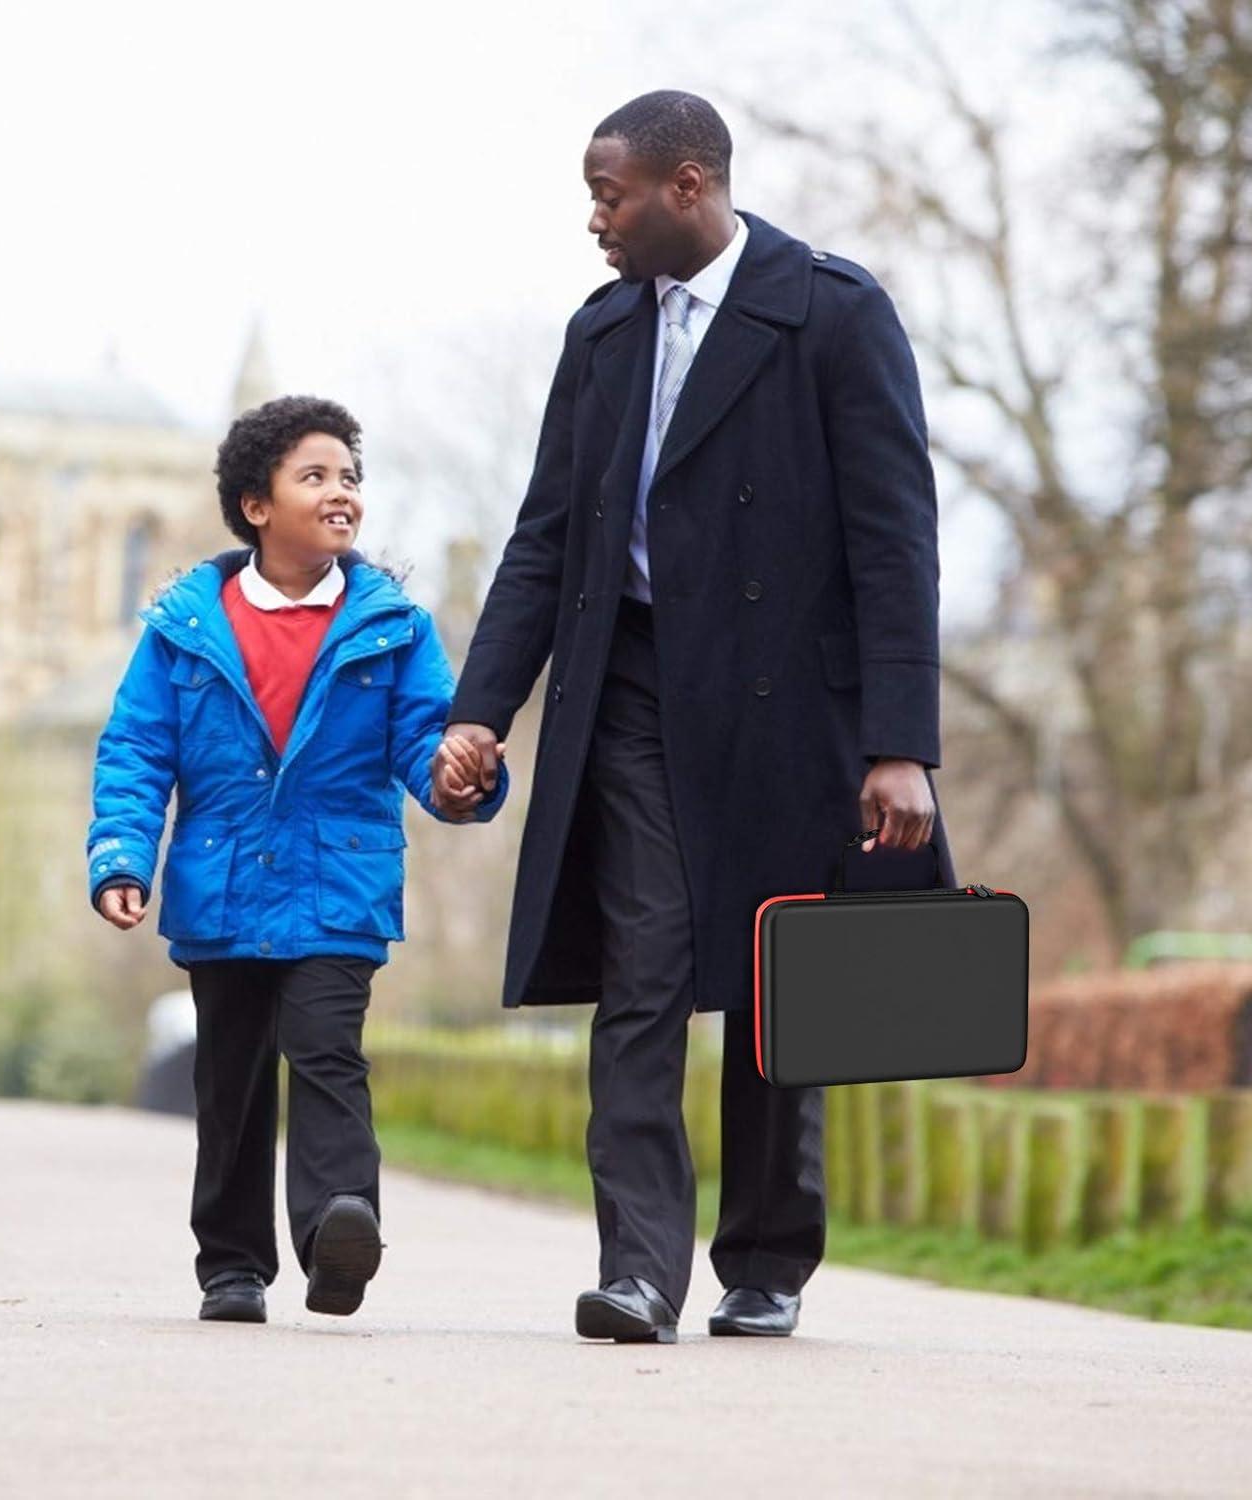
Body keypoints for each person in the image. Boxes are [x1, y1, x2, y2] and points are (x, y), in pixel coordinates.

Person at [432, 91, 957, 1343]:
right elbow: (547, 536)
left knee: (781, 985)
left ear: (687, 186)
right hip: (630, 691)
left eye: (607, 195)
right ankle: (639, 1272)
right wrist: (482, 710)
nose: (594, 221)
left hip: (787, 707)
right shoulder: (603, 331)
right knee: (643, 968)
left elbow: (896, 539)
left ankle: (766, 1261)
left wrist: (901, 744)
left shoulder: (833, 311)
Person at [89, 394, 507, 1325]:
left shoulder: (394, 625)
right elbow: (136, 751)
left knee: (327, 1051)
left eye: (350, 476)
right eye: (313, 476)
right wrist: (122, 858)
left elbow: (426, 743)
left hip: (337, 883)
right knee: (230, 1079)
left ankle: (337, 1226)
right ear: (256, 506)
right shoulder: (183, 627)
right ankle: (233, 1265)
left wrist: (456, 778)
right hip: (222, 886)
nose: (340, 492)